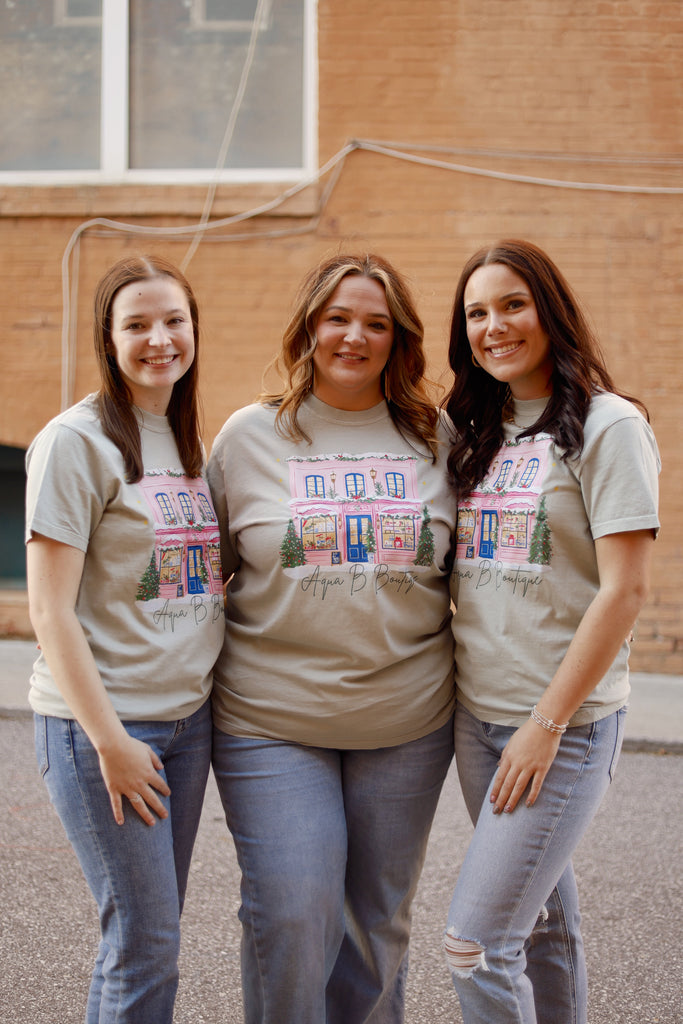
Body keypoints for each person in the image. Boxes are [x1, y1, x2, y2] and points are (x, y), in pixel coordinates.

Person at [207, 253, 456, 1024]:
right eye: (338, 318)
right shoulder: (247, 436)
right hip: (269, 719)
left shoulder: (436, 437)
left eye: (376, 323)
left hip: (406, 723)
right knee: (291, 912)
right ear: (308, 326)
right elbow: (200, 572)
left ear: (399, 339)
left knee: (377, 923)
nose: (355, 336)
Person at [441, 239, 660, 1023]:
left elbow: (624, 591)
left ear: (550, 311)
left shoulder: (608, 425)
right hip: (478, 718)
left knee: (474, 945)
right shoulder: (474, 428)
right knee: (542, 928)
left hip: (560, 725)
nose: (493, 326)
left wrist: (545, 724)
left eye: (512, 305)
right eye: (476, 313)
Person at [25, 255, 225, 1023]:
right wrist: (110, 741)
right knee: (143, 944)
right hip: (106, 728)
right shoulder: (74, 442)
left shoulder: (182, 439)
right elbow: (50, 611)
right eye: (136, 324)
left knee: (151, 935)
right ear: (108, 340)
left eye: (174, 320)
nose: (159, 339)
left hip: (186, 724)